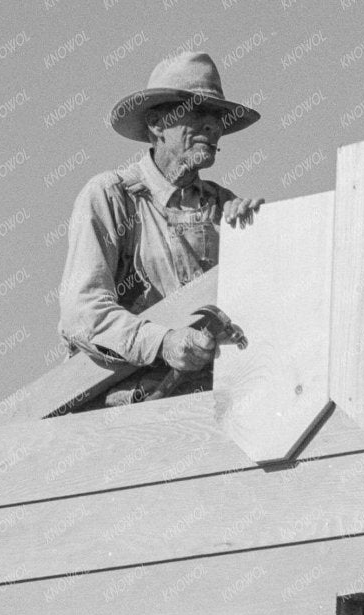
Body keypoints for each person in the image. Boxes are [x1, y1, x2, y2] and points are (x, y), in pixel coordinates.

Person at [57, 48, 265, 400]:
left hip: (213, 406)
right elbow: (83, 312)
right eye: (196, 113)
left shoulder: (225, 208)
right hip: (131, 418)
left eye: (217, 117)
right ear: (157, 125)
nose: (212, 126)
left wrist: (260, 236)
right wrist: (164, 342)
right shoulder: (112, 198)